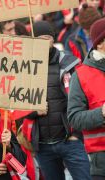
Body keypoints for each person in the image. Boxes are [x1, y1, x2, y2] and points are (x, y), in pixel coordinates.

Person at [21, 21, 91, 180]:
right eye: (38, 38)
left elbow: (84, 99)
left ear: (53, 39)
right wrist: (32, 110)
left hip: (70, 141)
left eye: (46, 37)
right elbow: (16, 105)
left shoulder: (69, 64)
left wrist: (77, 135)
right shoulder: (24, 67)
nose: (43, 42)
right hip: (43, 146)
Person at [67, 17, 105, 179]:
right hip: (101, 160)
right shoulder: (81, 75)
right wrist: (102, 113)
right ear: (101, 43)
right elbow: (74, 118)